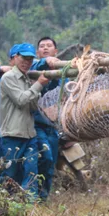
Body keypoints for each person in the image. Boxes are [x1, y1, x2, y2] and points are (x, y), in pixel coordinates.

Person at [0, 43, 49, 198]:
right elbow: (21, 100)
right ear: (15, 58)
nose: (27, 62)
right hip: (12, 135)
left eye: (30, 59)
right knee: (10, 174)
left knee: (32, 171)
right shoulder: (9, 78)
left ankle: (30, 206)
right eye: (24, 58)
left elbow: (33, 105)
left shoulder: (27, 79)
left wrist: (36, 88)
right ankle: (5, 205)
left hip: (29, 135)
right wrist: (39, 85)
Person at [30, 37, 60, 200]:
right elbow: (39, 65)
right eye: (42, 46)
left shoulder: (62, 71)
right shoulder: (33, 67)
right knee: (44, 158)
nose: (45, 48)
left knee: (51, 164)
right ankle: (34, 197)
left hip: (53, 126)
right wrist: (47, 61)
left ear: (56, 50)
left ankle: (43, 199)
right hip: (37, 124)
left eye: (49, 46)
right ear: (37, 52)